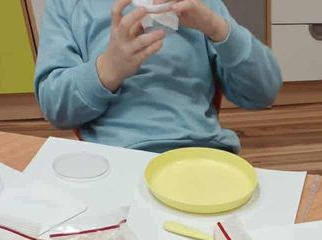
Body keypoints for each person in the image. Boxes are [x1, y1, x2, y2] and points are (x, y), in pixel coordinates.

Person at [34, 0, 282, 153]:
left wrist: (217, 28)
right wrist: (108, 69)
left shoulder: (202, 4)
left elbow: (264, 92)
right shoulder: (67, 5)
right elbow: (55, 106)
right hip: (116, 160)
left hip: (204, 153)